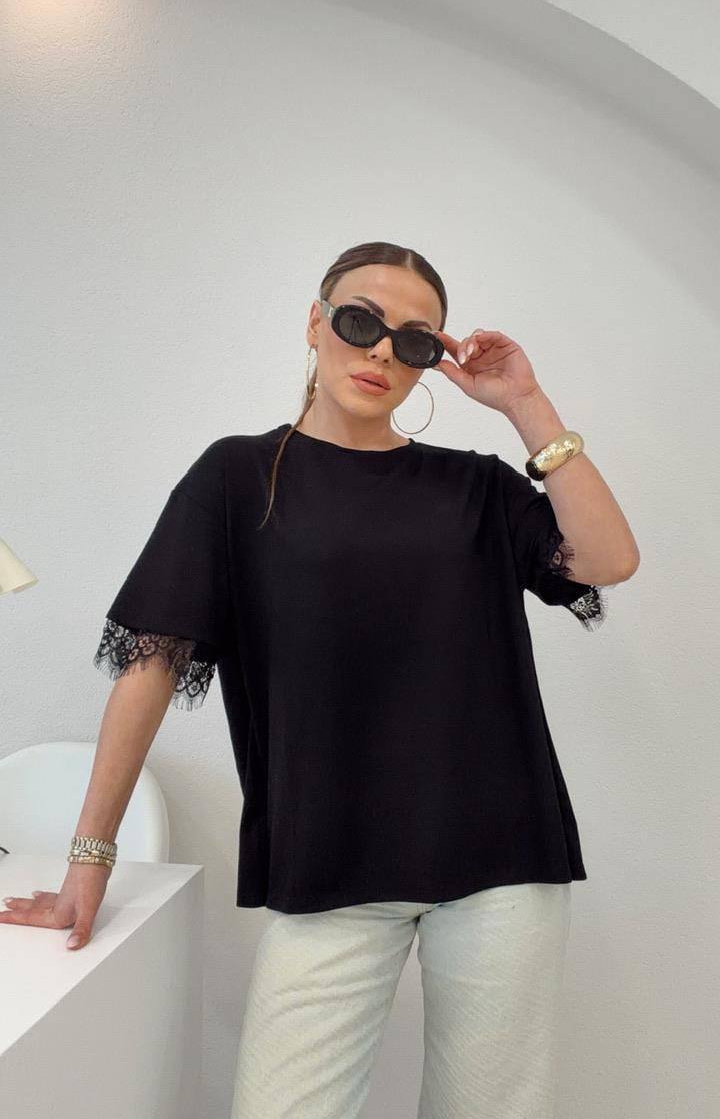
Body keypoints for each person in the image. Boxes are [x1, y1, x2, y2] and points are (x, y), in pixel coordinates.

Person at [0, 241, 640, 1118]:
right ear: (316, 322)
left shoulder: (475, 489)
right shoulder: (236, 478)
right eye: (360, 321)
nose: (381, 352)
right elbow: (151, 666)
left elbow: (607, 560)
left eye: (415, 340)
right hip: (327, 858)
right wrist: (91, 858)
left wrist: (527, 406)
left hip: (500, 856)